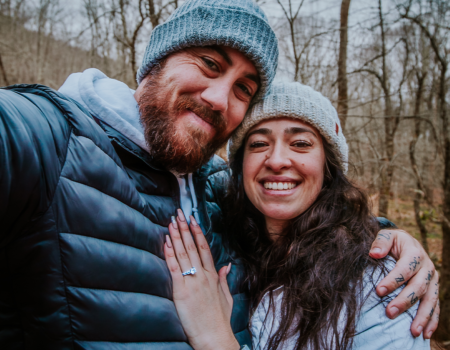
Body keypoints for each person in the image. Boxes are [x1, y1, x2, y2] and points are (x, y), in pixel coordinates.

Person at [0, 0, 437, 347]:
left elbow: (301, 211)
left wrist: (381, 240)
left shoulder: (218, 189)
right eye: (209, 62)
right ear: (157, 61)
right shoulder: (51, 137)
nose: (218, 98)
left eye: (243, 89)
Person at [164, 82, 439, 350]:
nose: (276, 160)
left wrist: (218, 342)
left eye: (300, 143)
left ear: (327, 166)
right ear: (239, 167)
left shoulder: (379, 283)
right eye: (259, 143)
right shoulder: (232, 246)